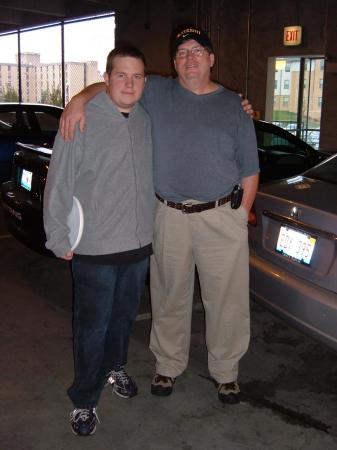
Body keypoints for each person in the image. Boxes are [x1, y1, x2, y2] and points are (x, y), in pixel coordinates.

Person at [59, 26, 259, 406]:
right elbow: (118, 82)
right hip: (168, 215)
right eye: (182, 52)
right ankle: (167, 364)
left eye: (198, 50)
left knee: (227, 301)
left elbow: (250, 169)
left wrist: (239, 216)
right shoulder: (159, 91)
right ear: (174, 63)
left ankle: (226, 372)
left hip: (221, 216)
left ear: (212, 59)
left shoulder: (235, 105)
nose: (190, 57)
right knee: (168, 295)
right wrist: (78, 100)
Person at [43, 46, 153, 436]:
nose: (129, 83)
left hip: (138, 245)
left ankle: (115, 367)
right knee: (92, 326)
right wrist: (58, 235)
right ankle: (85, 399)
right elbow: (59, 180)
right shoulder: (82, 118)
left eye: (136, 76)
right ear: (105, 79)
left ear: (145, 81)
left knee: (123, 319)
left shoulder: (146, 119)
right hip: (95, 248)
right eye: (120, 75)